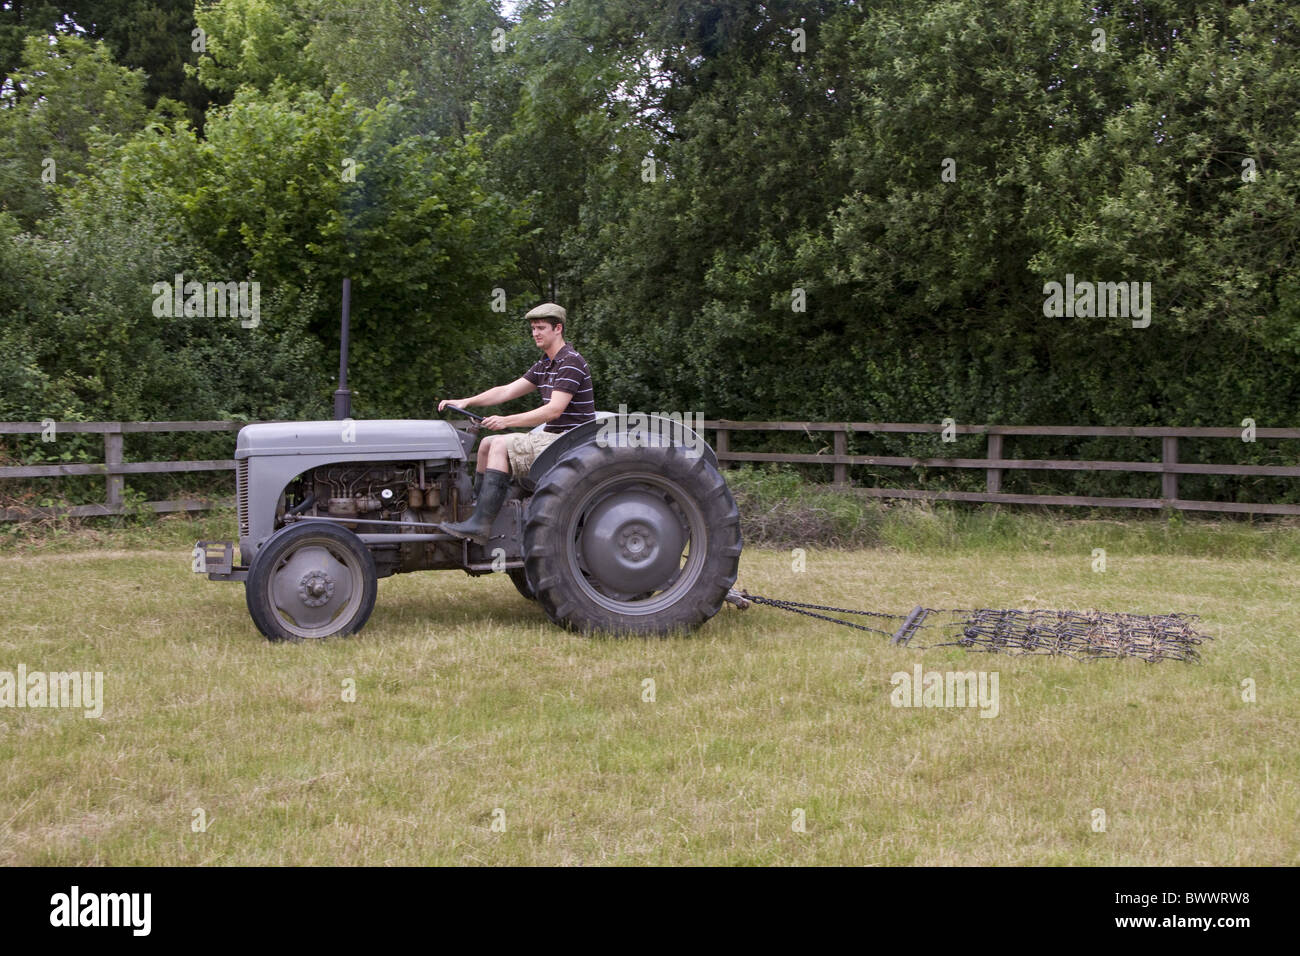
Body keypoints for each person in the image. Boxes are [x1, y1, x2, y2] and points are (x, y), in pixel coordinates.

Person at [436, 302, 595, 544]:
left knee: (500, 444)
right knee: (487, 443)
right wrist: (467, 401)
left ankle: (481, 525)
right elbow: (506, 391)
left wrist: (506, 420)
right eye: (533, 329)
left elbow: (554, 410)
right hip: (554, 439)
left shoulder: (570, 361)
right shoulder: (545, 364)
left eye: (541, 328)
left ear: (558, 328)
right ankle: (477, 513)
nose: (535, 334)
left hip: (570, 442)